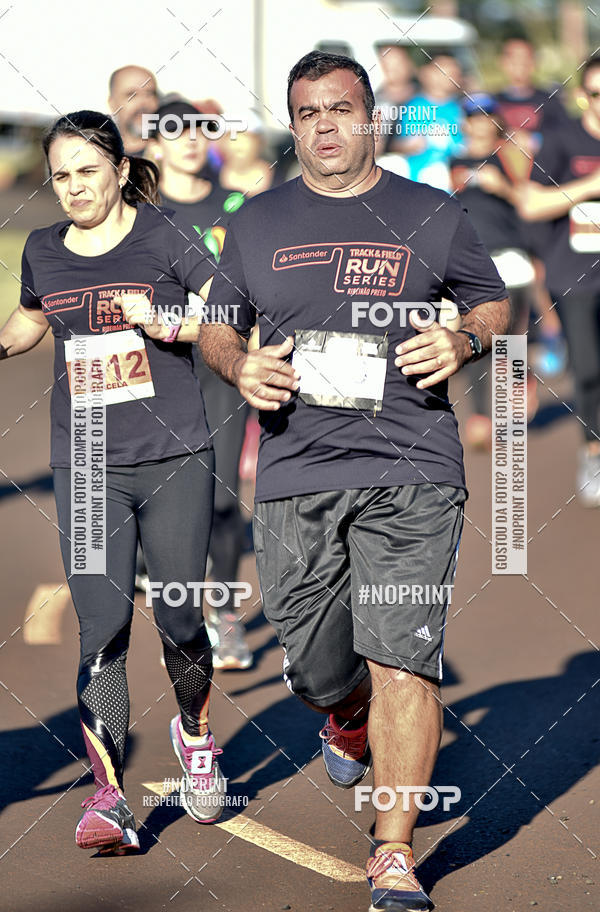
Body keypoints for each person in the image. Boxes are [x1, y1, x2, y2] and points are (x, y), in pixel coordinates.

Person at [198, 51, 511, 912]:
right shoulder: (256, 221)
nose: (326, 125)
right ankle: (341, 709)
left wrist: (464, 341)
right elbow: (220, 327)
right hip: (298, 467)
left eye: (342, 108)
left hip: (413, 468)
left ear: (372, 118)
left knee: (404, 659)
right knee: (316, 657)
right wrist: (240, 365)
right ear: (293, 125)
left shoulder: (433, 214)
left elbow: (491, 302)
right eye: (308, 112)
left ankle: (395, 850)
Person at [0, 111, 226, 854]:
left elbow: (227, 316)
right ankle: (109, 798)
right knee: (103, 630)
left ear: (120, 171)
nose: (72, 188)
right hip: (88, 461)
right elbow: (29, 322)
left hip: (173, 455)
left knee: (181, 620)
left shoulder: (165, 237)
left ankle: (195, 734)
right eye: (60, 175)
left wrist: (162, 319)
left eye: (86, 171)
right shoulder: (43, 249)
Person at [147, 99, 253, 669]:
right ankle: (178, 614)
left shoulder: (233, 206)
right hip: (159, 369)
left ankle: (225, 614)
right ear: (153, 145)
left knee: (225, 495)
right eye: (175, 132)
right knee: (166, 497)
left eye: (198, 131)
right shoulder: (140, 211)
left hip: (218, 366)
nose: (189, 140)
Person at [518, 54, 600, 506]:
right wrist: (587, 188)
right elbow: (530, 205)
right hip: (577, 275)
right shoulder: (561, 139)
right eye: (597, 93)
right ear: (582, 97)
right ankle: (593, 451)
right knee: (588, 368)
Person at [449, 93, 534, 448]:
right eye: (473, 117)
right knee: (480, 340)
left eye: (486, 117)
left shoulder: (510, 157)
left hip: (512, 259)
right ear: (466, 123)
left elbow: (530, 202)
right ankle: (482, 417)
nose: (479, 123)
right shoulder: (455, 160)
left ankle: (515, 394)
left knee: (509, 341)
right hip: (472, 264)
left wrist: (505, 189)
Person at [493, 35, 570, 376]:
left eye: (527, 59)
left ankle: (553, 333)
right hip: (502, 206)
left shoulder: (550, 101)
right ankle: (511, 361)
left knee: (539, 272)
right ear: (503, 63)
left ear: (533, 63)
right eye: (513, 59)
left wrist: (532, 143)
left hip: (541, 201)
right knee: (514, 280)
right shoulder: (490, 102)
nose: (520, 66)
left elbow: (566, 143)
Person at [390, 51, 464, 190]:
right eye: (444, 72)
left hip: (456, 180)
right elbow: (396, 144)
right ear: (426, 74)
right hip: (420, 180)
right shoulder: (411, 106)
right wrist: (409, 145)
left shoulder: (464, 107)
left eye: (453, 72)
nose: (450, 77)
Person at [108, 65, 159, 156]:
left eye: (150, 94)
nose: (143, 103)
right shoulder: (99, 156)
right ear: (112, 103)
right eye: (131, 95)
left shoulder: (176, 154)